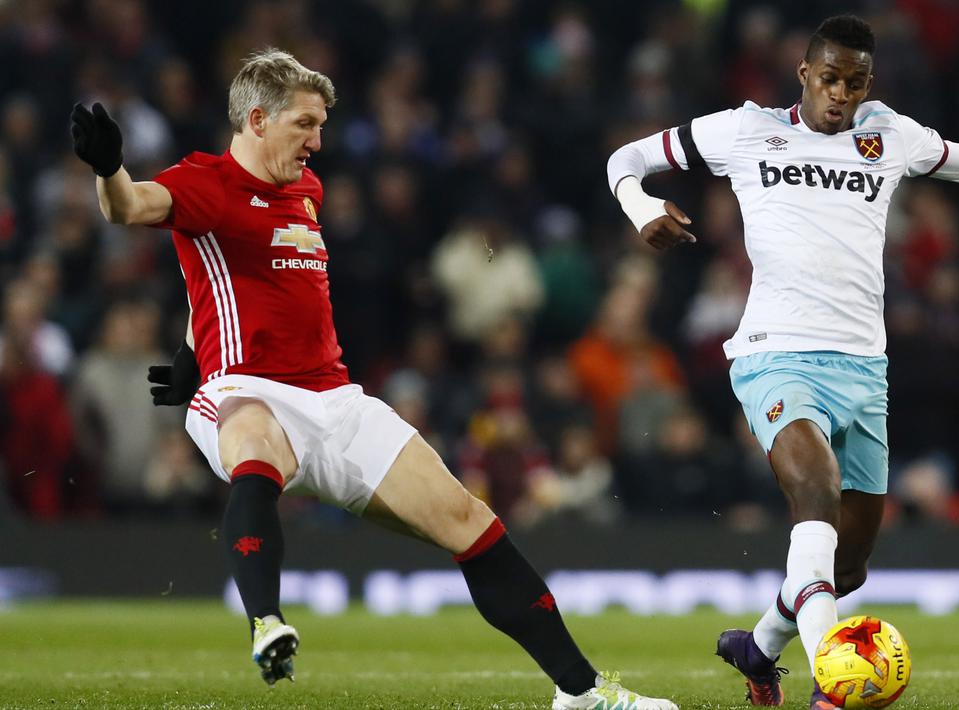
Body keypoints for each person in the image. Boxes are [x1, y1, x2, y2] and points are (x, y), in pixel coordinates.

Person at [71, 48, 675, 710]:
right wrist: (108, 169)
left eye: (321, 124)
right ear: (257, 118)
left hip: (335, 398)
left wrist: (190, 345)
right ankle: (266, 620)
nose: (317, 141)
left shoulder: (307, 189)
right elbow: (129, 208)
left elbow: (227, 280)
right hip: (245, 388)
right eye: (304, 124)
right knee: (256, 447)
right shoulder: (203, 181)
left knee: (466, 520)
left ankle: (581, 692)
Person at [606, 15, 959, 709]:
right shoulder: (744, 130)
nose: (840, 93)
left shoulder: (887, 134)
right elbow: (623, 160)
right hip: (775, 354)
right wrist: (638, 207)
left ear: (869, 82)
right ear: (804, 74)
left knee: (848, 566)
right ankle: (831, 688)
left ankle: (759, 646)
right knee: (815, 492)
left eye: (855, 81)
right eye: (830, 78)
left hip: (864, 368)